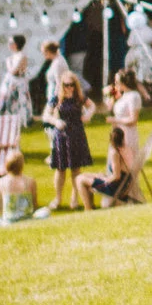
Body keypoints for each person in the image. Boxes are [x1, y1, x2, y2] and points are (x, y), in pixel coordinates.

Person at [45, 72, 95, 207]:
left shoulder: (79, 97)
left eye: (72, 85)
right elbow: (46, 115)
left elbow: (92, 106)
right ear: (62, 85)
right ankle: (58, 198)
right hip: (61, 135)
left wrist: (88, 115)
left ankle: (75, 198)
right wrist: (56, 122)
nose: (69, 88)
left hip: (77, 134)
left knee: (76, 168)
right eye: (66, 85)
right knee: (60, 169)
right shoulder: (56, 98)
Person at [106, 68, 146, 196]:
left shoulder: (134, 96)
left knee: (126, 166)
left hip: (127, 134)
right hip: (118, 133)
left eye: (117, 81)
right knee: (115, 163)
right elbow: (111, 107)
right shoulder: (123, 95)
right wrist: (111, 97)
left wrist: (115, 120)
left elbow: (133, 119)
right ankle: (117, 194)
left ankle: (130, 194)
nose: (115, 84)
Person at [0, 151, 37, 223]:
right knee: (45, 211)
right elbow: (34, 205)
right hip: (28, 218)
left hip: (9, 220)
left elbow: (1, 209)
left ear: (6, 164)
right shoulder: (30, 181)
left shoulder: (0, 182)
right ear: (22, 165)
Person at [0, 34, 33, 116]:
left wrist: (9, 62)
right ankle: (4, 116)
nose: (9, 45)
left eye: (11, 43)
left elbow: (14, 71)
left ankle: (21, 119)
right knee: (5, 99)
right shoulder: (12, 57)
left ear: (16, 44)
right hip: (10, 81)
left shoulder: (22, 56)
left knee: (18, 101)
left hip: (18, 82)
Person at [29, 39, 62, 119]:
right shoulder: (54, 61)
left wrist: (55, 98)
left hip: (55, 94)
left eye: (43, 52)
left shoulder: (58, 63)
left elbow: (59, 82)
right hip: (51, 92)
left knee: (49, 117)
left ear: (48, 51)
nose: (43, 54)